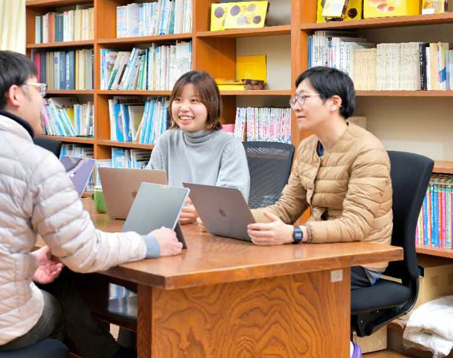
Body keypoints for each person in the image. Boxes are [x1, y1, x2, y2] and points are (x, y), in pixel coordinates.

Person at [0, 51, 182, 357]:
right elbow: (85, 253)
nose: (42, 102)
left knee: (60, 285)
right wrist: (151, 243)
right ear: (15, 94)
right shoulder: (34, 161)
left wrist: (29, 263)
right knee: (57, 310)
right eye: (38, 90)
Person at [247, 66, 393, 358]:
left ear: (334, 103)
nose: (297, 106)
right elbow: (286, 208)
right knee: (252, 283)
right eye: (294, 99)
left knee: (280, 291)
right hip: (318, 251)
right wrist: (235, 217)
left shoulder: (368, 151)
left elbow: (357, 225)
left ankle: (339, 348)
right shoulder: (307, 147)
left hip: (361, 258)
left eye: (304, 98)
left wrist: (296, 233)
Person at [147, 70, 250, 224]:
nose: (183, 107)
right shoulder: (166, 140)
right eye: (178, 100)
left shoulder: (230, 146)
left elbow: (232, 205)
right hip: (170, 227)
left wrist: (200, 212)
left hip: (211, 234)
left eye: (194, 100)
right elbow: (148, 188)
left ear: (211, 105)